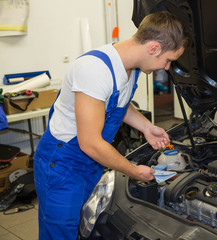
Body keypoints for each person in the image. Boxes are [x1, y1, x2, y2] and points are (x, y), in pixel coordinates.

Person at [33, 11, 191, 239]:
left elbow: (118, 104)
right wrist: (134, 171)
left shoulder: (131, 67)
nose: (167, 67)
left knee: (84, 224)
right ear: (154, 48)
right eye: (168, 60)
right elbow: (90, 143)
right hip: (62, 164)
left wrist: (146, 127)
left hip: (91, 162)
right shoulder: (94, 71)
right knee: (59, 232)